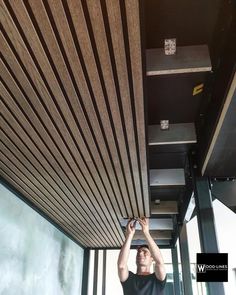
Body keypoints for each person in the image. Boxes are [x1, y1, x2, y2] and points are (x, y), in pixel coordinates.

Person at [117, 217, 166, 295]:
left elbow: (159, 263)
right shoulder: (129, 279)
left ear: (152, 258)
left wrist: (146, 232)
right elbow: (121, 266)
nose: (140, 253)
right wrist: (129, 235)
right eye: (139, 252)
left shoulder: (157, 279)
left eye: (145, 252)